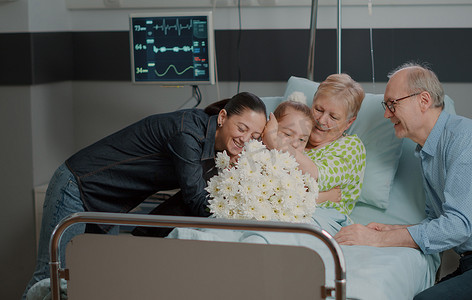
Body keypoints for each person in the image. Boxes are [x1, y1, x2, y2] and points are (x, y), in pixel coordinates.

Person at [23, 92, 267, 299]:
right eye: (241, 128)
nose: (245, 140)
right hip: (77, 186)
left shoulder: (218, 148)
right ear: (223, 117)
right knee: (51, 278)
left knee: (91, 283)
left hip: (111, 207)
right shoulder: (187, 134)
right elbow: (195, 200)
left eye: (254, 137)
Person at [334, 62, 472, 299]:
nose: (387, 114)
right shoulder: (428, 152)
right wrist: (394, 228)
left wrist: (379, 239)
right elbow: (438, 220)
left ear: (424, 100)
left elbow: (457, 227)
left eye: (392, 104)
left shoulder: (465, 140)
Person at [264, 73, 367, 216]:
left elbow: (314, 176)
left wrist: (274, 141)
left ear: (349, 122)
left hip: (320, 218)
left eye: (333, 117)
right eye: (318, 109)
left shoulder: (351, 147)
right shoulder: (296, 127)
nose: (322, 120)